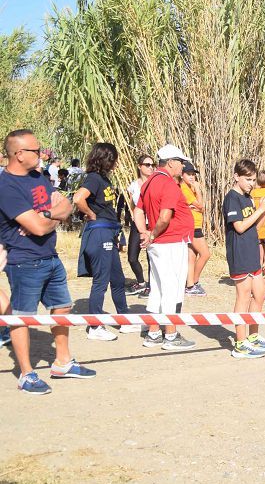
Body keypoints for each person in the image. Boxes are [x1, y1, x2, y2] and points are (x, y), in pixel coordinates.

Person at [1, 129, 96, 394]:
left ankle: (63, 362)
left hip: (50, 257)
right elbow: (39, 227)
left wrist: (45, 215)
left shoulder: (38, 177)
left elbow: (64, 207)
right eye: (35, 150)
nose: (41, 154)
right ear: (19, 154)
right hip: (23, 260)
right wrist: (48, 218)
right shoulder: (6, 186)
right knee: (22, 318)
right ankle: (26, 373)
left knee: (62, 307)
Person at [133, 144, 197, 351]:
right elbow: (165, 216)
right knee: (172, 288)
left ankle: (153, 333)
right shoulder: (168, 184)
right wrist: (150, 234)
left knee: (158, 288)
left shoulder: (149, 182)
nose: (182, 166)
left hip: (159, 243)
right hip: (170, 242)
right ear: (171, 162)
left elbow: (138, 210)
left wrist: (144, 232)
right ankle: (170, 334)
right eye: (180, 162)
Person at [73, 142, 135, 340]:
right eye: (113, 159)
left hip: (109, 233)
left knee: (117, 279)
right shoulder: (93, 178)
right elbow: (78, 198)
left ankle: (124, 319)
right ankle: (95, 326)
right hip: (99, 234)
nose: (116, 163)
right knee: (101, 280)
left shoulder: (103, 179)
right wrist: (90, 214)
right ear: (105, 158)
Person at [224, 160, 265, 359]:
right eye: (248, 179)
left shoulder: (248, 198)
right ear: (236, 176)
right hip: (239, 252)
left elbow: (255, 226)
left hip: (252, 250)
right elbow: (239, 227)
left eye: (253, 180)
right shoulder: (232, 198)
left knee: (260, 294)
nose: (251, 183)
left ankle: (253, 336)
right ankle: (239, 344)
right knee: (244, 296)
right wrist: (261, 207)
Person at [125, 154, 155, 296]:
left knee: (151, 257)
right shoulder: (133, 185)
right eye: (147, 165)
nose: (150, 167)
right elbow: (132, 205)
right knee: (132, 257)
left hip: (152, 225)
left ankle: (152, 286)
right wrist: (134, 216)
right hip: (137, 224)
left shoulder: (156, 183)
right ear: (139, 166)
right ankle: (141, 282)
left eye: (152, 165)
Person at [181, 162, 210, 297]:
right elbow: (200, 205)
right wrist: (198, 190)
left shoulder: (189, 187)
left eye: (193, 174)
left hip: (195, 224)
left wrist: (198, 206)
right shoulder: (185, 188)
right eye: (189, 174)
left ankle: (189, 284)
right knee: (205, 254)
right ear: (182, 175)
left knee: (192, 256)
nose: (192, 177)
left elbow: (199, 207)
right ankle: (194, 282)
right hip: (192, 226)